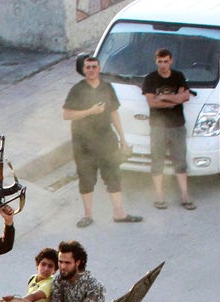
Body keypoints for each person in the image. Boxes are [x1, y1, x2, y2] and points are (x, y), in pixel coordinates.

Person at [63, 56, 142, 228]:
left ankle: (119, 213)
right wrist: (90, 111)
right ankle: (88, 215)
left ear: (99, 68)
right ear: (83, 70)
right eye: (88, 67)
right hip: (83, 142)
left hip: (107, 140)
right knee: (86, 178)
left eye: (94, 66)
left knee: (113, 176)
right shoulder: (77, 90)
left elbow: (114, 112)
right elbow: (67, 114)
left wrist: (123, 139)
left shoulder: (107, 87)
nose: (91, 70)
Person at [141, 48, 195, 211]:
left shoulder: (178, 76)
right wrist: (175, 99)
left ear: (171, 61)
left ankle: (185, 196)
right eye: (160, 61)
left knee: (180, 161)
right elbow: (152, 103)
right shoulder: (150, 79)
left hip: (177, 125)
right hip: (158, 126)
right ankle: (159, 197)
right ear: (156, 61)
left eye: (166, 61)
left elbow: (185, 97)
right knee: (157, 161)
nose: (163, 65)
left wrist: (163, 97)